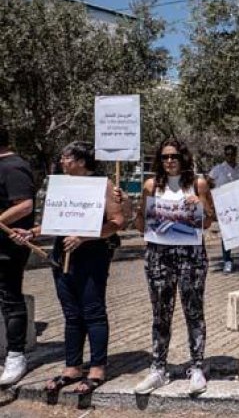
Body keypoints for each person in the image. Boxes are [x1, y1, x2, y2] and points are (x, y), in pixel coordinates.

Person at [28, 142, 131, 395]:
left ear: (82, 161)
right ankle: (72, 366)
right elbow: (55, 221)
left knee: (93, 310)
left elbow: (117, 222)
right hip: (63, 254)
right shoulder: (61, 185)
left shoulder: (103, 186)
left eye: (67, 158)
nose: (62, 162)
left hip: (92, 255)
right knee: (71, 314)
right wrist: (31, 232)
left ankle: (97, 367)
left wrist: (84, 237)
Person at [133, 137, 215, 395]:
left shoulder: (197, 184)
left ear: (183, 159)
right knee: (160, 313)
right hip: (158, 255)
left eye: (174, 157)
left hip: (191, 255)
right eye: (165, 157)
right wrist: (132, 207)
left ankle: (197, 367)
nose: (169, 161)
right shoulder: (150, 185)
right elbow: (140, 225)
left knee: (193, 310)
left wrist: (200, 206)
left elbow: (208, 222)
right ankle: (158, 368)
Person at [0, 125, 35, 386]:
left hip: (8, 247)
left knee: (10, 298)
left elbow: (25, 205)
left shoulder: (13, 167)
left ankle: (16, 355)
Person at [208, 144, 239, 273]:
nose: (230, 156)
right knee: (227, 233)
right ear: (225, 155)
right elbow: (208, 182)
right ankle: (227, 261)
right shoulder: (218, 169)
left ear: (236, 154)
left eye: (232, 154)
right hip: (224, 206)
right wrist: (214, 196)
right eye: (227, 154)